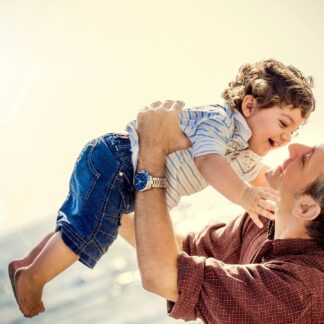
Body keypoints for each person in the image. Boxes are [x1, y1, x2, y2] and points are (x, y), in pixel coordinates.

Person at [9, 59, 314, 318]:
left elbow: (262, 182)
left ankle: (29, 263)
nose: (289, 139)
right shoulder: (221, 121)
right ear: (249, 105)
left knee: (83, 222)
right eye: (283, 124)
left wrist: (269, 197)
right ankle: (33, 278)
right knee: (90, 231)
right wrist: (245, 196)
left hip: (124, 172)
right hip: (120, 162)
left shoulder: (245, 153)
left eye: (295, 130)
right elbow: (209, 161)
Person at [127, 100, 324, 323]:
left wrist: (152, 151)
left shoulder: (298, 292)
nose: (293, 147)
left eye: (306, 158)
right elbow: (184, 250)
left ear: (306, 208)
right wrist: (104, 202)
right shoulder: (265, 219)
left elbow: (163, 276)